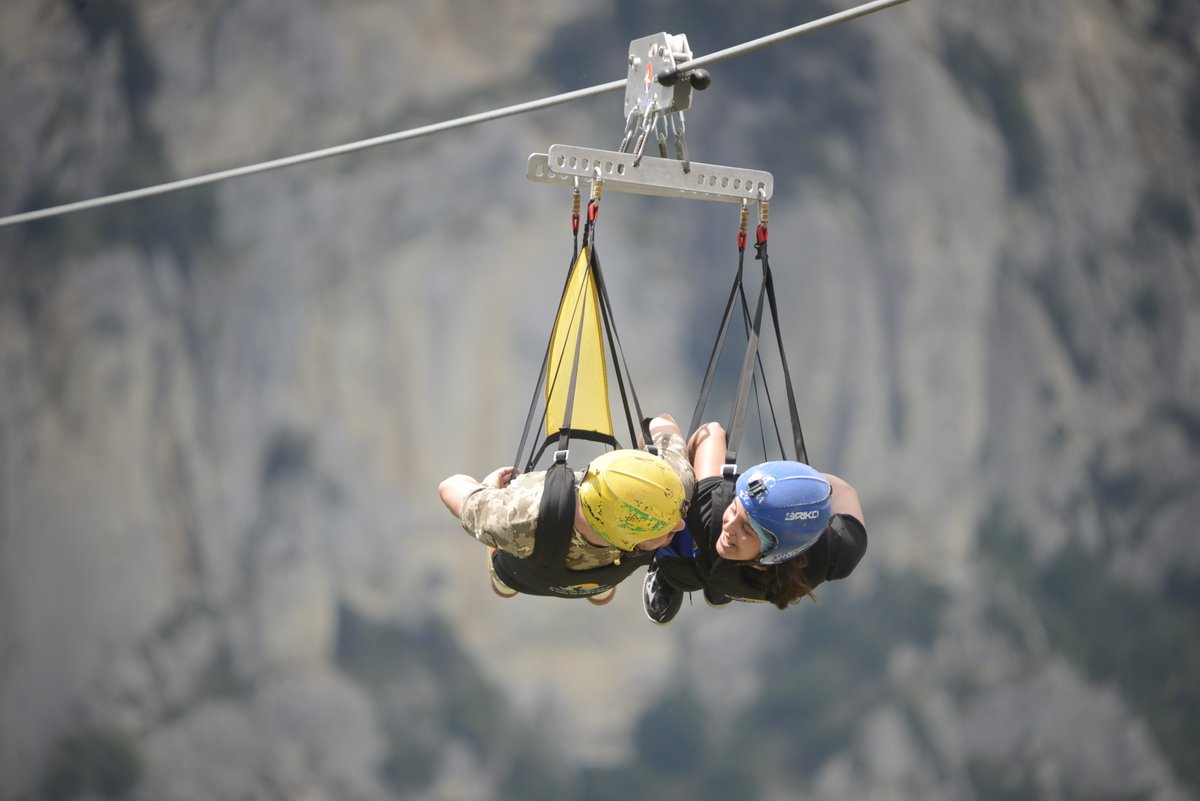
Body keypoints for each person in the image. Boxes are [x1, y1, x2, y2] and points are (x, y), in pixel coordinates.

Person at [439, 413, 695, 605]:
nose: (681, 524)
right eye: (665, 525)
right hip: (608, 573)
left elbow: (450, 486)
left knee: (502, 562)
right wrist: (655, 457)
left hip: (523, 570)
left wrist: (489, 491)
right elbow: (662, 422)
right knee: (599, 583)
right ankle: (598, 584)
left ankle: (503, 568)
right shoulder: (678, 486)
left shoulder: (520, 516)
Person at [642, 421, 867, 624]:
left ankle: (665, 563)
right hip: (724, 567)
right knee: (717, 541)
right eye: (734, 508)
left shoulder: (711, 515)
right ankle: (724, 578)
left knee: (677, 524)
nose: (728, 526)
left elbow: (709, 433)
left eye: (746, 530)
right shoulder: (835, 553)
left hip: (683, 567)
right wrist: (793, 489)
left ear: (775, 551)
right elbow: (844, 492)